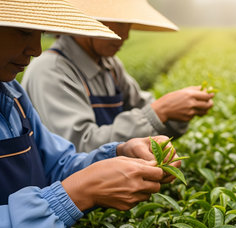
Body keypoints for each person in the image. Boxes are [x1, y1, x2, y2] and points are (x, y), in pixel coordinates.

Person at [0, 0, 181, 228]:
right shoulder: (51, 70)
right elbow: (78, 146)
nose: (36, 48)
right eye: (23, 31)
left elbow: (55, 164)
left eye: (39, 33)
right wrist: (73, 196)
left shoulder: (12, 94)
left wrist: (119, 152)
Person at [22, 0, 215, 152]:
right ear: (87, 19)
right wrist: (159, 111)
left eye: (128, 25)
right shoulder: (50, 70)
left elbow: (143, 107)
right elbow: (79, 148)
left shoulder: (110, 65)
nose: (125, 35)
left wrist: (180, 110)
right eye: (119, 23)